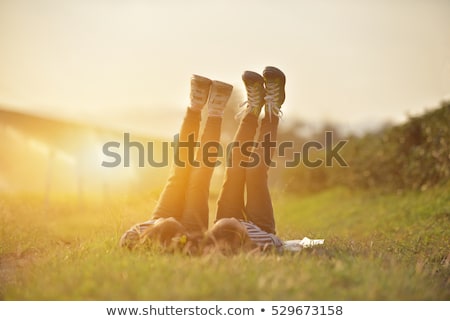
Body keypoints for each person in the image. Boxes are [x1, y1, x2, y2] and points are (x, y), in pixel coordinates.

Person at [119, 66, 287, 254]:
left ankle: (203, 107)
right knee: (250, 171)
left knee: (185, 171)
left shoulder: (148, 236)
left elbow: (126, 239)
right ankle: (271, 108)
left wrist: (157, 226)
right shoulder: (249, 245)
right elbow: (279, 245)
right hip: (250, 229)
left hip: (196, 230)